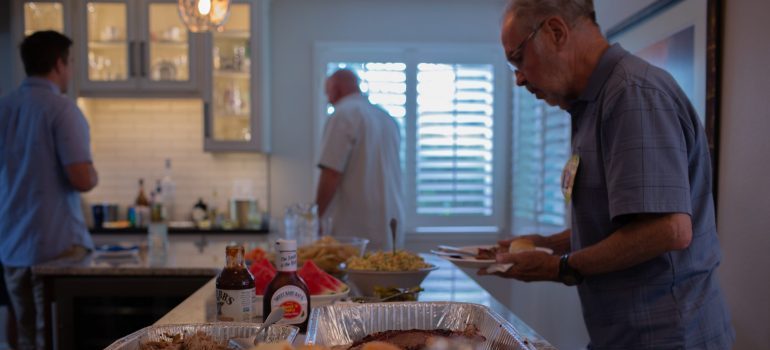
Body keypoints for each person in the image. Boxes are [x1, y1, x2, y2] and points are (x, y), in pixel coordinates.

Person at [481, 1, 735, 349]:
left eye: (519, 58)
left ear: (556, 32)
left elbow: (668, 229)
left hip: (668, 337)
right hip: (623, 335)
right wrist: (547, 244)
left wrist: (559, 266)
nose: (519, 78)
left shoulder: (632, 93)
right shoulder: (592, 105)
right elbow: (623, 222)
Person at [0, 30, 98, 350]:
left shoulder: (5, 107)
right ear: (59, 64)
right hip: (56, 248)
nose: (70, 70)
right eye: (70, 62)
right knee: (57, 337)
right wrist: (93, 174)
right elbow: (81, 178)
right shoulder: (62, 109)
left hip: (12, 245)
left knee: (26, 337)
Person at [315, 69, 404, 251]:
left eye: (328, 93)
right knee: (388, 276)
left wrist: (315, 217)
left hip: (357, 229)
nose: (328, 100)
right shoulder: (386, 118)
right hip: (392, 222)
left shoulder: (343, 114)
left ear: (336, 89)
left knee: (353, 278)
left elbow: (331, 172)